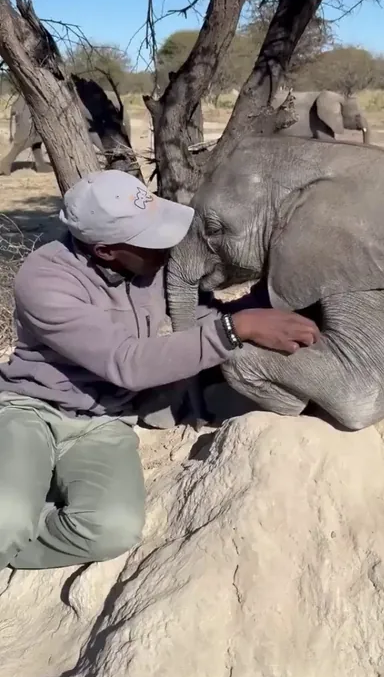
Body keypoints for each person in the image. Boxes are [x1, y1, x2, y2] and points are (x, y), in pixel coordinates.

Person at [0, 170, 320, 572]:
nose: (168, 245)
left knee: (111, 531)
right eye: (150, 239)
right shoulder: (45, 279)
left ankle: (22, 532)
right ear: (104, 251)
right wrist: (237, 328)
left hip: (106, 422)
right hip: (33, 411)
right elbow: (126, 362)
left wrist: (260, 308)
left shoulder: (149, 266)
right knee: (5, 521)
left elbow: (196, 314)